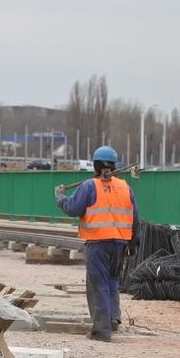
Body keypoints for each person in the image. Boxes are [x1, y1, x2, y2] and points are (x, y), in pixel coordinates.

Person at [55, 145, 138, 342]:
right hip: (120, 243)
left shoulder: (89, 186)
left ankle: (101, 330)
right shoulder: (125, 187)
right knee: (112, 281)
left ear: (95, 165)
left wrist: (60, 197)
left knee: (98, 284)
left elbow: (73, 208)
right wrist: (133, 243)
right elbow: (136, 218)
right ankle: (113, 317)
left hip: (98, 243)